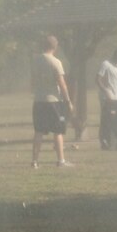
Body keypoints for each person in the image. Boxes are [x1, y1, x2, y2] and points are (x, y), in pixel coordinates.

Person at [29, 35, 74, 169]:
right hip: (53, 101)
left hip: (38, 101)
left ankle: (35, 161)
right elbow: (62, 84)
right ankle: (61, 161)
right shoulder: (55, 62)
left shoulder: (35, 61)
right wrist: (68, 101)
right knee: (58, 130)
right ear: (55, 47)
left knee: (39, 131)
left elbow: (32, 81)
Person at [96, 48, 117, 152]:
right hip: (108, 98)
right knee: (108, 121)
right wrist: (105, 91)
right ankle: (105, 143)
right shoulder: (106, 64)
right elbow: (98, 79)